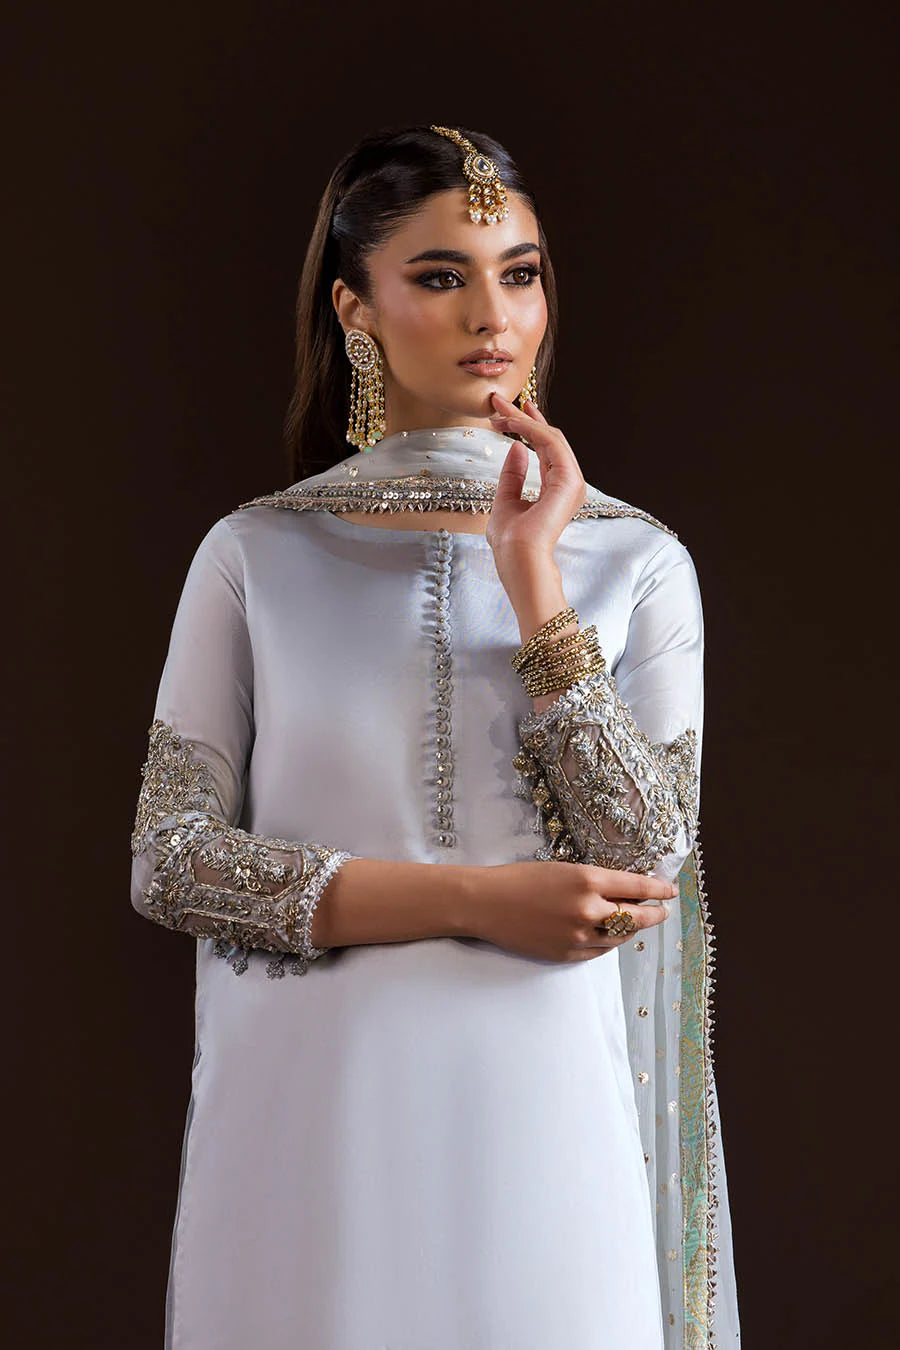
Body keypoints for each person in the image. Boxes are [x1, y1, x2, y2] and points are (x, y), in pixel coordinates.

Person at [130, 124, 739, 1349]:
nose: (493, 315)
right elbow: (171, 861)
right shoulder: (256, 554)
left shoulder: (634, 561)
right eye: (443, 275)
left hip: (547, 1113)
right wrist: (476, 900)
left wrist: (536, 583)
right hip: (312, 1112)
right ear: (354, 306)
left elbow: (645, 860)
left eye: (522, 273)